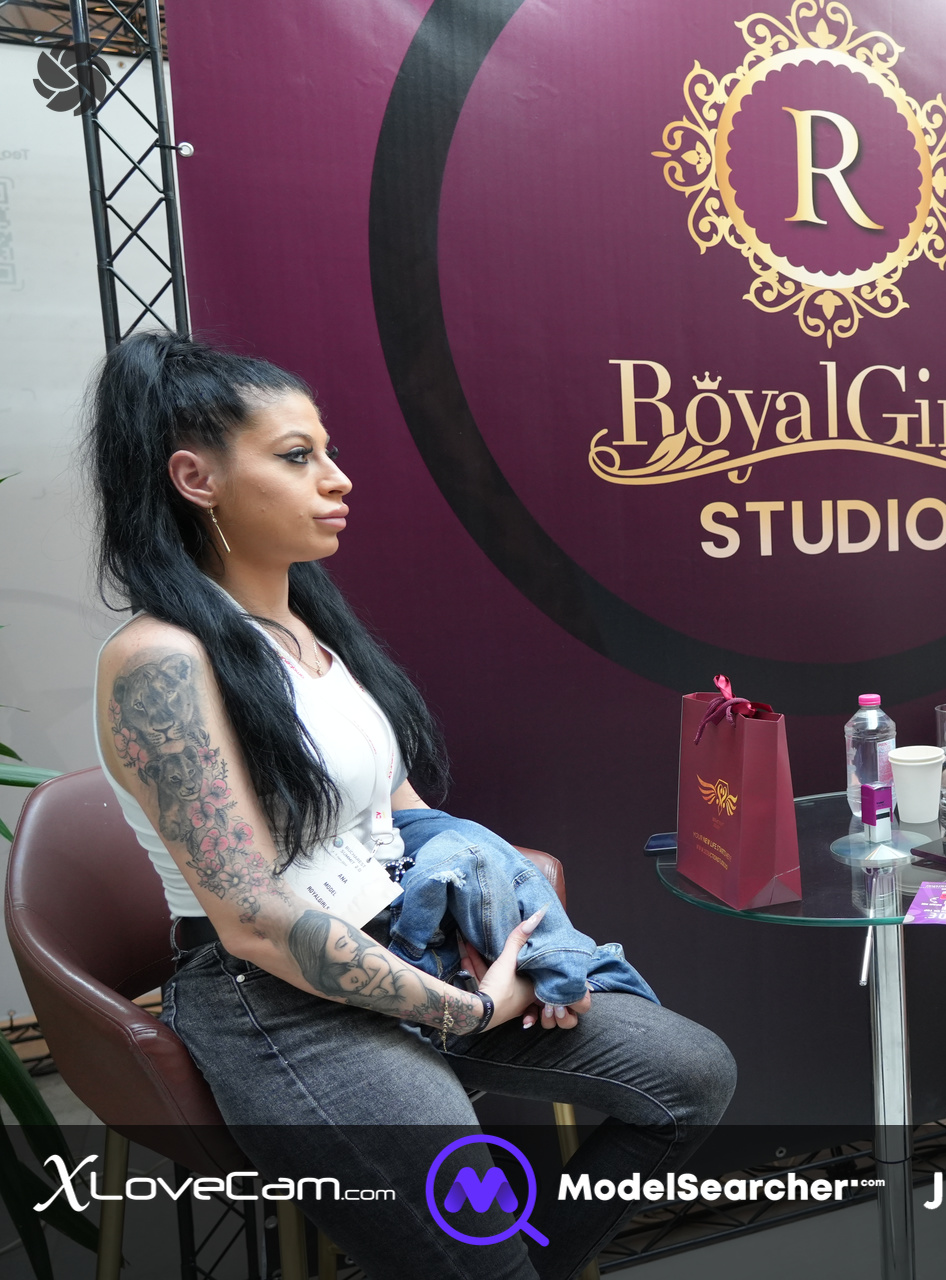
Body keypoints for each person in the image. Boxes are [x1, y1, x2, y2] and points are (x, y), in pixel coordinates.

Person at [87, 333, 736, 1280]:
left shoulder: (307, 629)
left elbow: (400, 813)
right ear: (197, 479)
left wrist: (489, 931)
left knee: (693, 1077)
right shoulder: (159, 662)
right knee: (476, 1233)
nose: (337, 478)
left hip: (405, 945)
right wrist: (464, 1009)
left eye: (328, 451)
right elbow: (256, 920)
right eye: (297, 457)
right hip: (277, 1001)